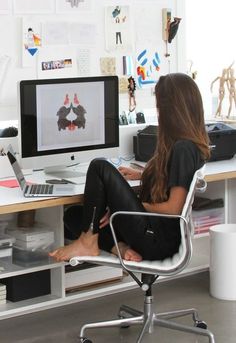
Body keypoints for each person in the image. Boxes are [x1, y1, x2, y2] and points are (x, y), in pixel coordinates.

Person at [49, 73, 210, 263]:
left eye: (159, 105)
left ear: (170, 109)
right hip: (153, 233)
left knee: (99, 166)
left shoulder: (183, 148)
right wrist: (142, 174)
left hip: (157, 241)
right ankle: (120, 247)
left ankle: (87, 242)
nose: (158, 111)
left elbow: (174, 208)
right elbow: (174, 179)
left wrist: (126, 204)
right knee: (75, 215)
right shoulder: (184, 145)